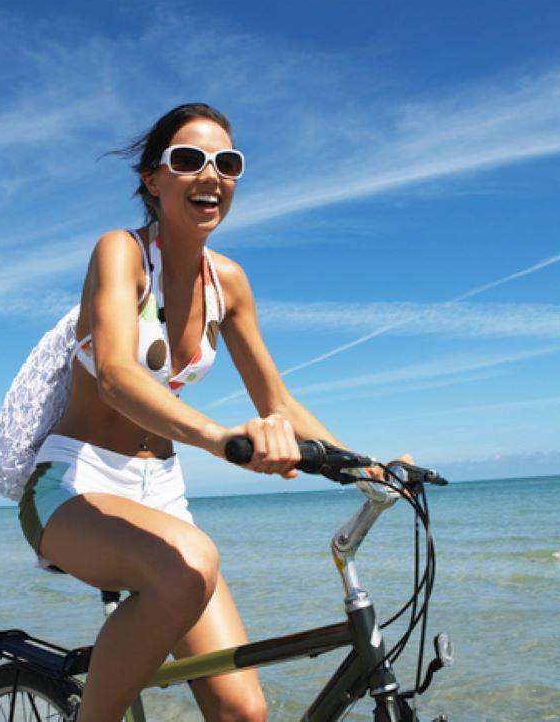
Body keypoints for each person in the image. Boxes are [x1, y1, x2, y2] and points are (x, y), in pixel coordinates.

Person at [17, 103, 346, 721]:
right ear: (153, 179)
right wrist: (221, 440)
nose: (211, 175)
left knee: (241, 712)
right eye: (189, 160)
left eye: (227, 163)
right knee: (192, 560)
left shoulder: (231, 283)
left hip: (160, 496)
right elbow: (116, 373)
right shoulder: (120, 253)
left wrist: (365, 465)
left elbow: (275, 400)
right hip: (74, 486)